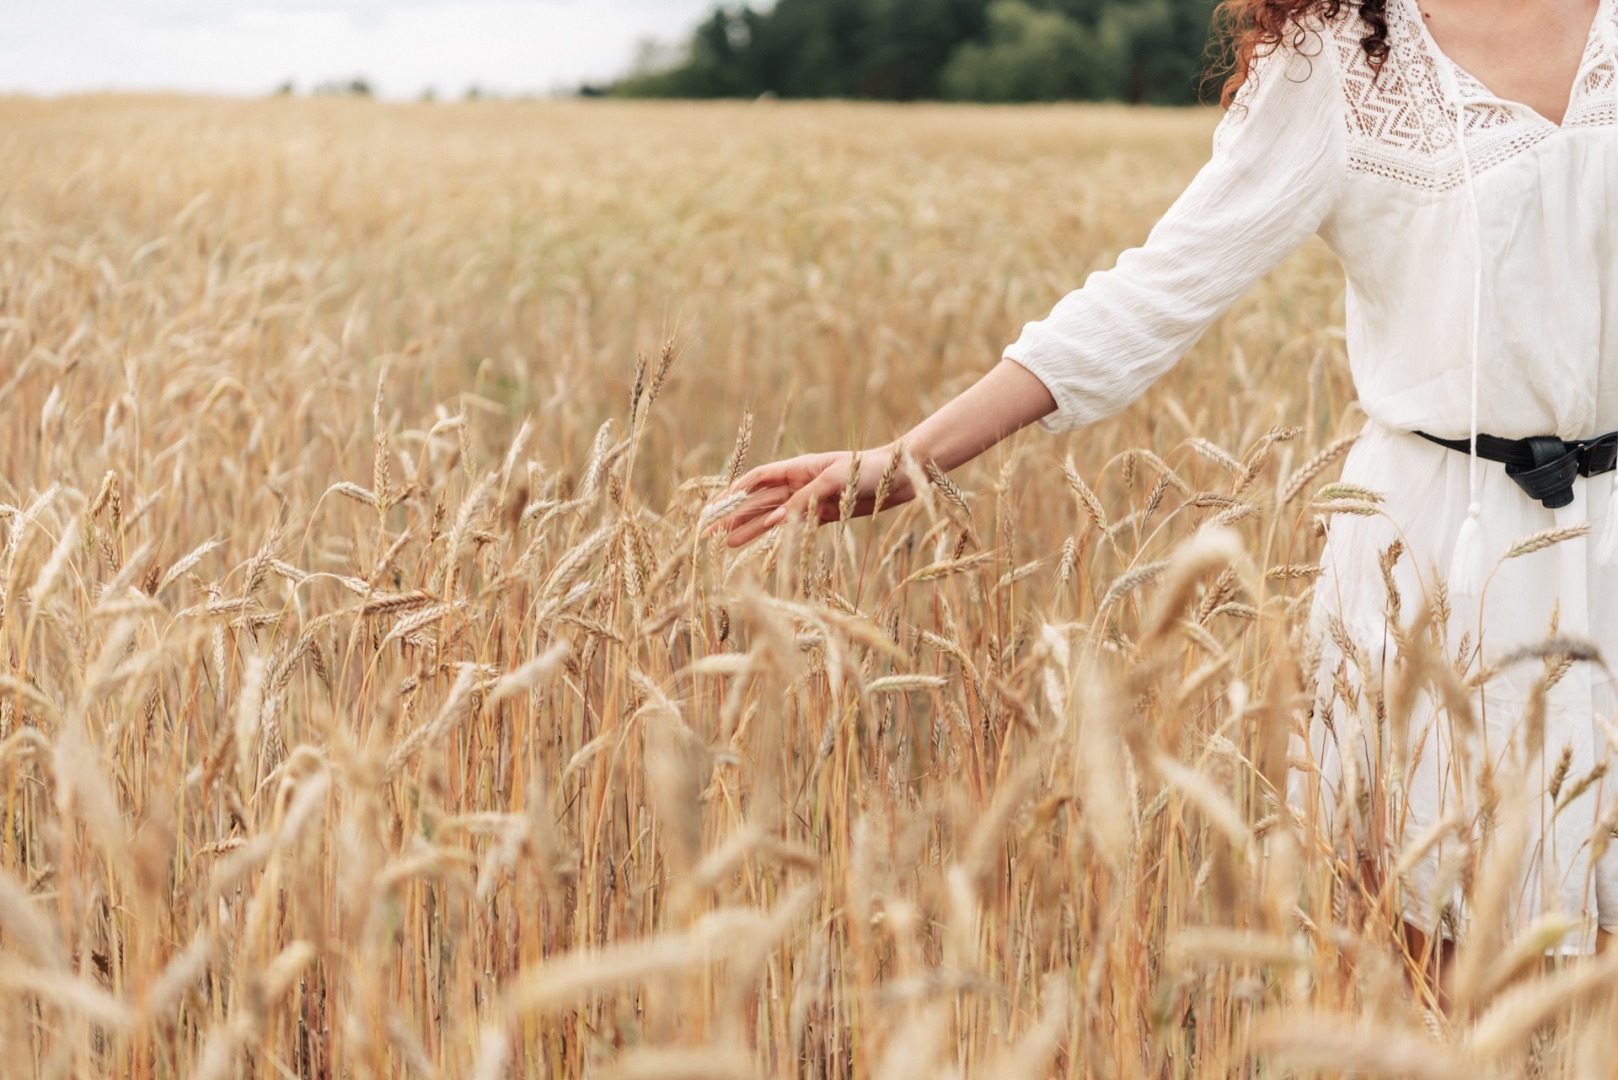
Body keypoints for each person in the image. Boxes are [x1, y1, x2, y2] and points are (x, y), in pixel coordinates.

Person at [719, 0, 1618, 959]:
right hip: (1440, 556)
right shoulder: (1344, 58)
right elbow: (1156, 289)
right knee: (1439, 953)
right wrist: (909, 460)